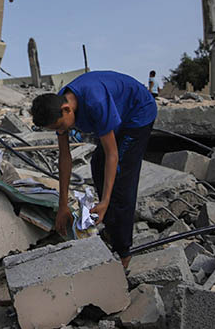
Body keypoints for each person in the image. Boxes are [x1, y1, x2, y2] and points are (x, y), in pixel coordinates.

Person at [30, 70, 157, 268]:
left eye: (60, 126)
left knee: (121, 177)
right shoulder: (58, 106)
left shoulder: (95, 102)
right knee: (97, 164)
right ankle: (111, 224)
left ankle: (123, 253)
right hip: (117, 110)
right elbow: (65, 158)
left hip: (138, 111)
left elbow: (113, 155)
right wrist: (62, 204)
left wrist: (106, 201)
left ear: (67, 110)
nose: (60, 132)